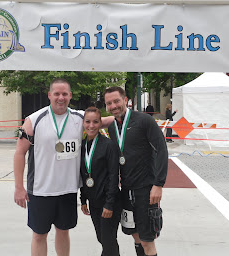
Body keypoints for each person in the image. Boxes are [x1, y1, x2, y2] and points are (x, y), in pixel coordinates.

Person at [13, 78, 113, 256]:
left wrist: (126, 115)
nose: (61, 97)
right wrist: (19, 188)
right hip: (41, 190)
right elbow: (19, 153)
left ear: (70, 96)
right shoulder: (34, 120)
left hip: (67, 190)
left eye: (65, 94)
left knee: (63, 231)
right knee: (39, 235)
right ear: (49, 95)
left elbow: (103, 121)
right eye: (57, 94)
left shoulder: (79, 118)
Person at [104, 87, 168, 256]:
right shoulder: (112, 128)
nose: (113, 105)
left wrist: (158, 184)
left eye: (116, 101)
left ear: (125, 100)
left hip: (145, 189)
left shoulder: (144, 121)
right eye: (109, 103)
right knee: (136, 235)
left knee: (147, 239)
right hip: (126, 189)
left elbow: (161, 150)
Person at [80, 107, 121, 256]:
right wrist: (83, 199)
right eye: (88, 121)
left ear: (100, 123)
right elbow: (84, 174)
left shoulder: (108, 145)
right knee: (102, 238)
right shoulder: (82, 145)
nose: (91, 125)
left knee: (108, 241)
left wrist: (109, 204)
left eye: (95, 122)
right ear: (83, 123)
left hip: (109, 202)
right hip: (94, 202)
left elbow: (113, 176)